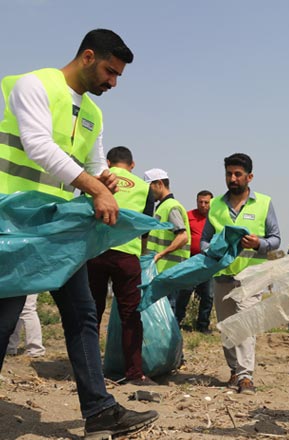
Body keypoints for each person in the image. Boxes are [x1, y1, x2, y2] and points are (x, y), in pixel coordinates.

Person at [0, 29, 158, 437]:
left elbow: (88, 164)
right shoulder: (34, 85)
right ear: (87, 57)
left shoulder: (93, 113)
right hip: (14, 226)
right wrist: (96, 187)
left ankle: (100, 411)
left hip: (58, 229)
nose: (113, 82)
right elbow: (37, 145)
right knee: (4, 319)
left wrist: (102, 177)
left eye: (118, 75)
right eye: (109, 71)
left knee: (83, 315)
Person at [201, 153, 280, 395]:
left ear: (249, 177)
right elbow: (204, 241)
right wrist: (213, 250)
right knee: (227, 327)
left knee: (245, 325)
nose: (232, 178)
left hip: (252, 277)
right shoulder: (215, 205)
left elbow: (276, 239)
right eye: (228, 174)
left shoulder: (264, 203)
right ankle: (234, 370)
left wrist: (258, 243)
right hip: (223, 276)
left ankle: (246, 377)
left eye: (237, 174)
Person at [87, 146, 155, 385]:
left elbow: (84, 213)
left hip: (95, 252)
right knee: (130, 315)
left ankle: (89, 371)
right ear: (132, 165)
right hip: (127, 256)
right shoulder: (144, 187)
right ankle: (135, 373)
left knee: (91, 313)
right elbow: (145, 226)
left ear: (108, 162)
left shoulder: (97, 181)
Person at [144, 168, 191, 311]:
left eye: (149, 187)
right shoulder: (163, 207)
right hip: (163, 271)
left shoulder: (171, 207)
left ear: (158, 184)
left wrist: (160, 255)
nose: (148, 192)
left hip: (170, 271)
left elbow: (182, 237)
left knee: (168, 311)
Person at [175, 190, 215, 333]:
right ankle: (177, 322)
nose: (203, 205)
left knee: (208, 295)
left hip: (208, 263)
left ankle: (202, 326)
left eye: (206, 202)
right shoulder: (188, 216)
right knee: (184, 292)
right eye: (200, 202)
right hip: (191, 262)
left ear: (212, 203)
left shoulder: (215, 218)